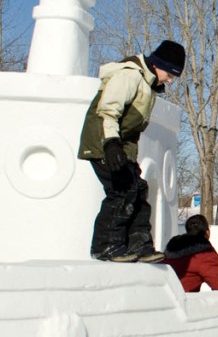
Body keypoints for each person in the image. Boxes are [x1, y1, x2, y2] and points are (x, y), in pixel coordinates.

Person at [78, 40, 185, 262]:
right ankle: (105, 246)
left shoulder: (148, 84)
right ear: (158, 64)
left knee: (138, 189)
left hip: (121, 145)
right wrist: (111, 144)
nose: (170, 80)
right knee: (122, 191)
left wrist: (128, 156)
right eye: (170, 74)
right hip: (103, 142)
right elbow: (108, 111)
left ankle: (140, 245)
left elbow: (132, 129)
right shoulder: (130, 75)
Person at [160, 214, 218, 292]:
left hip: (161, 297)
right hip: (184, 301)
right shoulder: (204, 254)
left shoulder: (171, 248)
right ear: (207, 232)